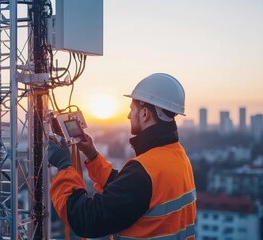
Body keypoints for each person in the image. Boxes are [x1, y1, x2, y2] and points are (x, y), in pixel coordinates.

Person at [47, 73, 197, 239]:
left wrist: (63, 166)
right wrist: (92, 155)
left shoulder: (143, 172)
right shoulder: (178, 156)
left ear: (145, 113)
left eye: (132, 110)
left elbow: (86, 219)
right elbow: (126, 191)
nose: (128, 116)